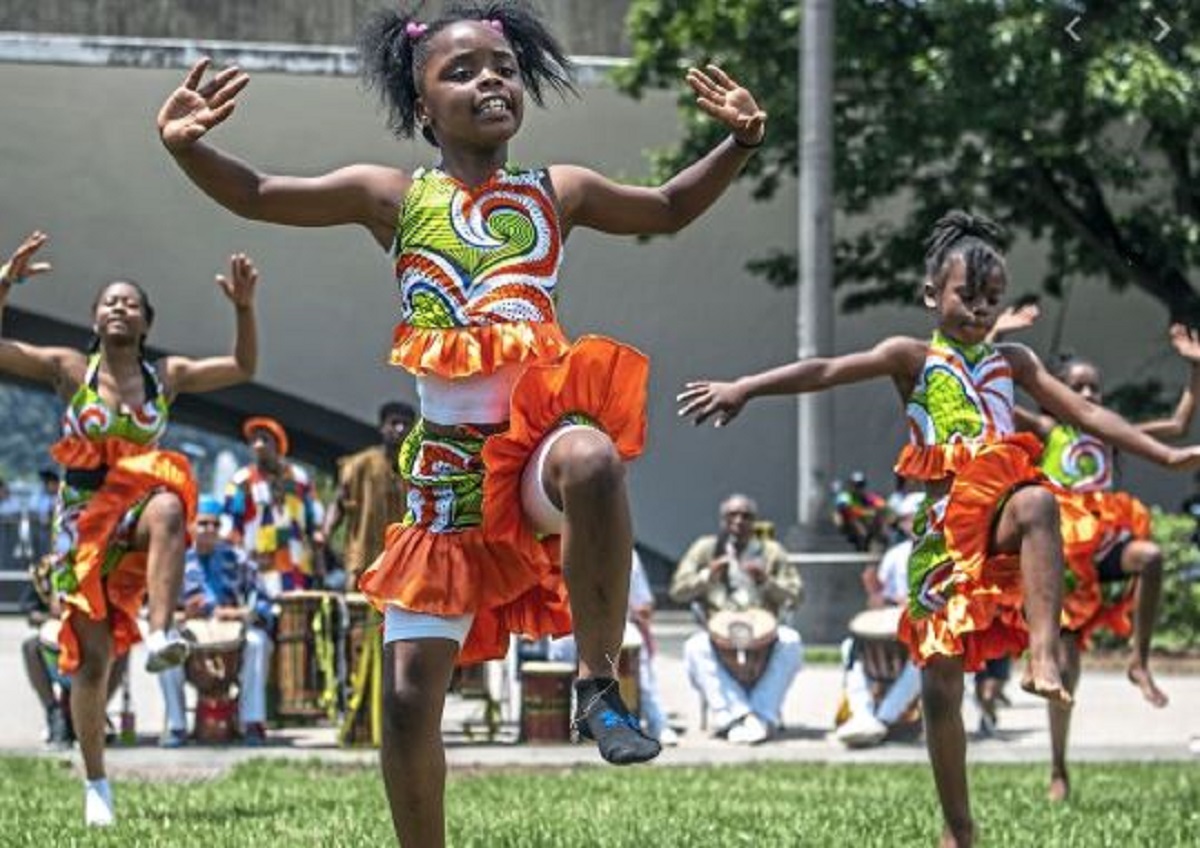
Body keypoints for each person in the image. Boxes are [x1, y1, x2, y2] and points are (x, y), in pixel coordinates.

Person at [156, 2, 765, 842]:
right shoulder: (393, 197)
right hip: (447, 477)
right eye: (463, 70)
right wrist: (189, 148)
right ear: (421, 107)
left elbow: (663, 209)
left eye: (504, 67)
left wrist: (736, 144)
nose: (491, 80)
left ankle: (599, 684)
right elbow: (260, 194)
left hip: (536, 452)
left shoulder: (559, 192)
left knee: (592, 458)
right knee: (407, 706)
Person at [677, 210, 1200, 847]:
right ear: (932, 295)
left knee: (1037, 503)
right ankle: (959, 827)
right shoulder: (912, 357)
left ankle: (1041, 656)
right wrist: (746, 387)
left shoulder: (1015, 361)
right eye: (966, 298)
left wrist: (1168, 455)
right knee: (941, 684)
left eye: (991, 301)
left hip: (1002, 515)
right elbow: (825, 370)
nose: (980, 311)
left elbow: (1086, 412)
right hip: (942, 533)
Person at [0, 230, 259, 826]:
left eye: (130, 304)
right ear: (95, 317)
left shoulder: (167, 375)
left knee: (170, 502)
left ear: (145, 322)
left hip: (138, 514)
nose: (119, 308)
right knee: (92, 665)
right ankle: (96, 783)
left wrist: (244, 309)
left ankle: (163, 629)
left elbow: (244, 367)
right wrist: (6, 283)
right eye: (109, 302)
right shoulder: (69, 368)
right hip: (83, 524)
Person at [990, 308, 1200, 800]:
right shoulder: (1047, 430)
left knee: (1148, 556)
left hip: (1103, 539)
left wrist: (1195, 365)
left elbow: (1176, 423)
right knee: (1065, 669)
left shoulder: (1106, 430)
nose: (1086, 397)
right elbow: (995, 401)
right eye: (1077, 389)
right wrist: (996, 336)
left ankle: (1139, 661)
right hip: (1059, 553)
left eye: (1093, 390)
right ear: (1057, 391)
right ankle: (1058, 768)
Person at [669, 494, 804, 745]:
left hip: (764, 631)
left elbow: (796, 595)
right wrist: (708, 575)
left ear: (754, 522)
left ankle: (761, 715)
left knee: (791, 641)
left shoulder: (771, 552)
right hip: (719, 630)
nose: (739, 521)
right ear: (723, 520)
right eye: (732, 515)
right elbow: (677, 590)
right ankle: (734, 716)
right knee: (695, 647)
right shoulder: (705, 548)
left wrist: (767, 582)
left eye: (746, 516)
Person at [157, 494, 275, 747]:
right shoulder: (175, 562)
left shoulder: (237, 558)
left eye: (215, 524)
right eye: (203, 523)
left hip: (234, 637)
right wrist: (183, 615)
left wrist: (241, 613)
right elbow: (154, 611)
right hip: (190, 641)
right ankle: (177, 726)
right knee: (164, 644)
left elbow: (265, 603)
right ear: (190, 526)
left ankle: (252, 723)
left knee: (258, 641)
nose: (210, 529)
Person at [547, 550, 678, 745]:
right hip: (570, 624)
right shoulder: (562, 546)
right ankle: (568, 720)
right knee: (560, 645)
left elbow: (644, 603)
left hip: (617, 623)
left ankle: (658, 723)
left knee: (635, 644)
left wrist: (639, 610)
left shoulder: (626, 551)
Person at [836, 491, 923, 748]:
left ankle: (882, 719)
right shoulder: (895, 555)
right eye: (911, 518)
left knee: (925, 657)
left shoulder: (951, 552)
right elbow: (878, 603)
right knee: (851, 648)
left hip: (936, 632)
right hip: (896, 623)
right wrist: (875, 593)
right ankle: (863, 714)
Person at [224, 416, 323, 592]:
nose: (259, 445)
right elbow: (231, 525)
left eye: (265, 439)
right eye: (254, 440)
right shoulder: (241, 481)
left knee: (296, 615)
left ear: (278, 445)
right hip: (258, 569)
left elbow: (313, 519)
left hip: (296, 566)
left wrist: (318, 552)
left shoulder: (299, 478)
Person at [323, 401, 415, 589]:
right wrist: (324, 533)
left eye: (406, 424)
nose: (400, 429)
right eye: (394, 423)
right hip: (364, 560)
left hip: (405, 565)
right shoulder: (360, 464)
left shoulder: (419, 468)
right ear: (382, 427)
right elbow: (340, 502)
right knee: (359, 615)